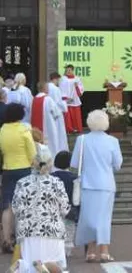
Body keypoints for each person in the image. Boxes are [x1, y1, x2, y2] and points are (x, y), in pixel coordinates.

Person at [71, 110, 123, 263]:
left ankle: (91, 251)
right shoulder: (113, 141)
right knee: (104, 218)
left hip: (87, 183)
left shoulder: (81, 140)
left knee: (88, 218)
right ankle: (104, 251)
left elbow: (74, 163)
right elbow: (117, 164)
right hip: (106, 184)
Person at [12, 143, 70, 272]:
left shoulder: (22, 182)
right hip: (53, 231)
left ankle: (23, 267)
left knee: (29, 267)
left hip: (28, 232)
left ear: (33, 162)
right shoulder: (56, 182)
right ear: (50, 163)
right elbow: (65, 208)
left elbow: (15, 209)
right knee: (57, 267)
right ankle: (43, 268)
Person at [0, 103, 36, 253]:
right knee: (25, 205)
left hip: (7, 169)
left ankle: (6, 239)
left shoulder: (2, 130)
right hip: (24, 169)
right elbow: (32, 153)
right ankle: (23, 239)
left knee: (7, 206)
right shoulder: (24, 130)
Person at [31, 82, 68, 159]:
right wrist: (64, 104)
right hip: (48, 127)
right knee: (50, 145)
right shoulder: (48, 99)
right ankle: (51, 160)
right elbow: (57, 113)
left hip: (36, 128)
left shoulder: (34, 99)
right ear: (45, 88)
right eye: (47, 87)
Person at [52, 151, 78, 257]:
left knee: (55, 229)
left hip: (54, 209)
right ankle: (67, 248)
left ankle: (56, 248)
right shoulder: (74, 178)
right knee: (69, 228)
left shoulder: (51, 177)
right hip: (70, 208)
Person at [59, 65, 84, 134]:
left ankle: (78, 129)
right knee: (68, 116)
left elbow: (81, 89)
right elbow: (61, 89)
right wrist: (66, 98)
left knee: (76, 116)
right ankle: (69, 129)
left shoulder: (77, 79)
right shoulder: (63, 79)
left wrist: (77, 87)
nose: (68, 71)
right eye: (67, 70)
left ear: (72, 70)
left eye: (69, 70)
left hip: (75, 100)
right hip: (67, 100)